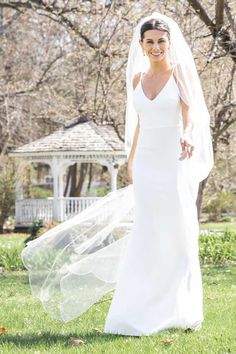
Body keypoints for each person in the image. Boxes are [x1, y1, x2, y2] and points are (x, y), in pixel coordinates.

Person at [21, 12, 213, 336]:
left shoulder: (179, 73)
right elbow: (138, 122)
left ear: (169, 43)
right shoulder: (137, 79)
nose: (155, 47)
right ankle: (136, 310)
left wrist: (188, 136)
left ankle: (183, 309)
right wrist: (131, 159)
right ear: (141, 45)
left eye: (161, 41)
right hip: (147, 164)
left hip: (173, 160)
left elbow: (191, 114)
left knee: (177, 234)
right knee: (147, 234)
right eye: (149, 42)